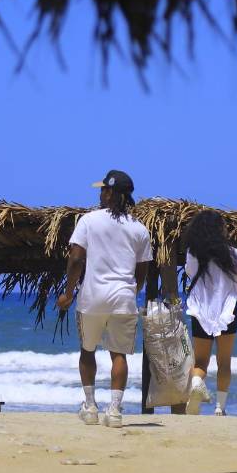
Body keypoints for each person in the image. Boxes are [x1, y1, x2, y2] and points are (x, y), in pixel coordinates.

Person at [55, 170, 152, 428]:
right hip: (123, 298)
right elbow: (141, 272)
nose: (99, 194)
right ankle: (115, 411)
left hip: (92, 297)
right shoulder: (140, 229)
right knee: (119, 355)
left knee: (87, 350)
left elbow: (76, 259)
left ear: (110, 192)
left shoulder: (88, 221)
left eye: (102, 190)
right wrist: (131, 291)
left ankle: (90, 406)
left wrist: (67, 293)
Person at [182, 209, 237, 416]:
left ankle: (197, 384)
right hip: (227, 310)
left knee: (200, 362)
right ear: (219, 229)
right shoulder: (234, 255)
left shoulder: (193, 252)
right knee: (224, 362)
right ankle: (220, 407)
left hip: (200, 310)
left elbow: (190, 273)